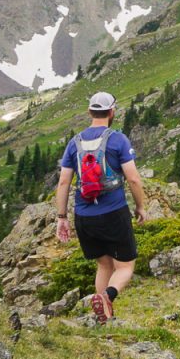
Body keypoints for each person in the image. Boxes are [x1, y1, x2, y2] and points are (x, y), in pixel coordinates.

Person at [55, 90, 146, 323]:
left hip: (84, 217)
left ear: (89, 112)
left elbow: (64, 181)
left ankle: (102, 315)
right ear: (112, 112)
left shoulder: (74, 143)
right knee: (124, 267)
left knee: (104, 265)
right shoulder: (118, 140)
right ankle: (107, 296)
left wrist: (61, 217)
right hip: (113, 213)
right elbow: (133, 178)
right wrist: (140, 207)